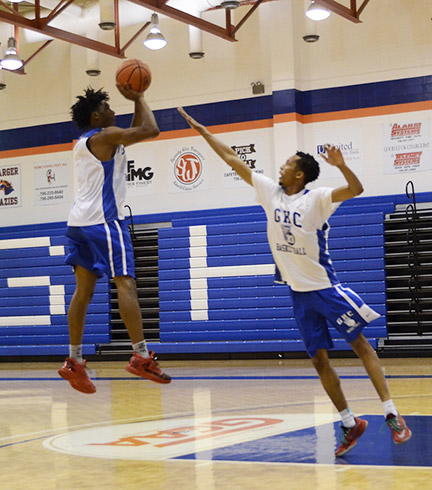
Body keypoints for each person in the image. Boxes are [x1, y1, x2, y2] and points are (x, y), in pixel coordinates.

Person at [177, 106, 411, 457]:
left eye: (286, 163)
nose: (280, 167)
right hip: (298, 295)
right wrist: (202, 130)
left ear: (299, 174)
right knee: (319, 361)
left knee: (361, 346)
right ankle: (349, 422)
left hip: (326, 289)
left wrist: (341, 165)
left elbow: (356, 188)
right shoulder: (269, 192)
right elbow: (230, 158)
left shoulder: (315, 199)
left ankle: (391, 413)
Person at [58, 86, 171, 394]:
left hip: (78, 224)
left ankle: (74, 360)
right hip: (104, 222)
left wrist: (135, 102)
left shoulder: (87, 141)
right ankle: (142, 356)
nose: (113, 111)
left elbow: (134, 129)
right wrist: (139, 97)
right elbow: (150, 129)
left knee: (83, 291)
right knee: (126, 283)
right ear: (97, 115)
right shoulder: (105, 136)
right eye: (108, 107)